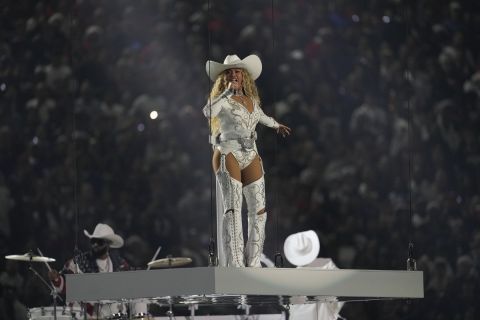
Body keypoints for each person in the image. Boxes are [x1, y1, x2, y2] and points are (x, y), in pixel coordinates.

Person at [203, 54, 291, 267]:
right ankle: (235, 264)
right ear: (225, 77)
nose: (234, 74)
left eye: (238, 71)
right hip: (227, 151)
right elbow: (208, 112)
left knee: (259, 209)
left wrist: (276, 125)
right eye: (230, 71)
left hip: (251, 152)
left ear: (244, 76)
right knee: (233, 208)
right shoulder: (222, 100)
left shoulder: (252, 101)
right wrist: (225, 92)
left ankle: (253, 261)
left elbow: (260, 116)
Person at [48, 223, 130, 318]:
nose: (95, 245)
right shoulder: (79, 261)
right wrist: (56, 279)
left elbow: (131, 287)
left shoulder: (120, 264)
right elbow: (64, 285)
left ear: (109, 244)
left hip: (111, 313)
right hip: (85, 314)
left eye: (99, 242)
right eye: (93, 241)